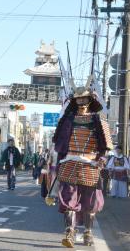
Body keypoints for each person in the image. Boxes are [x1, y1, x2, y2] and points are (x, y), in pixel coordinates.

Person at [53, 83, 113, 247]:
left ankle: (88, 232)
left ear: (90, 99)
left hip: (91, 165)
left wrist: (101, 159)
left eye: (84, 98)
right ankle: (70, 233)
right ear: (74, 101)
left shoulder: (99, 121)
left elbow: (106, 146)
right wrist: (57, 164)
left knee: (90, 203)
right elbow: (59, 145)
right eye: (78, 99)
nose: (81, 102)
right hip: (69, 162)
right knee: (68, 200)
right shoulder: (66, 120)